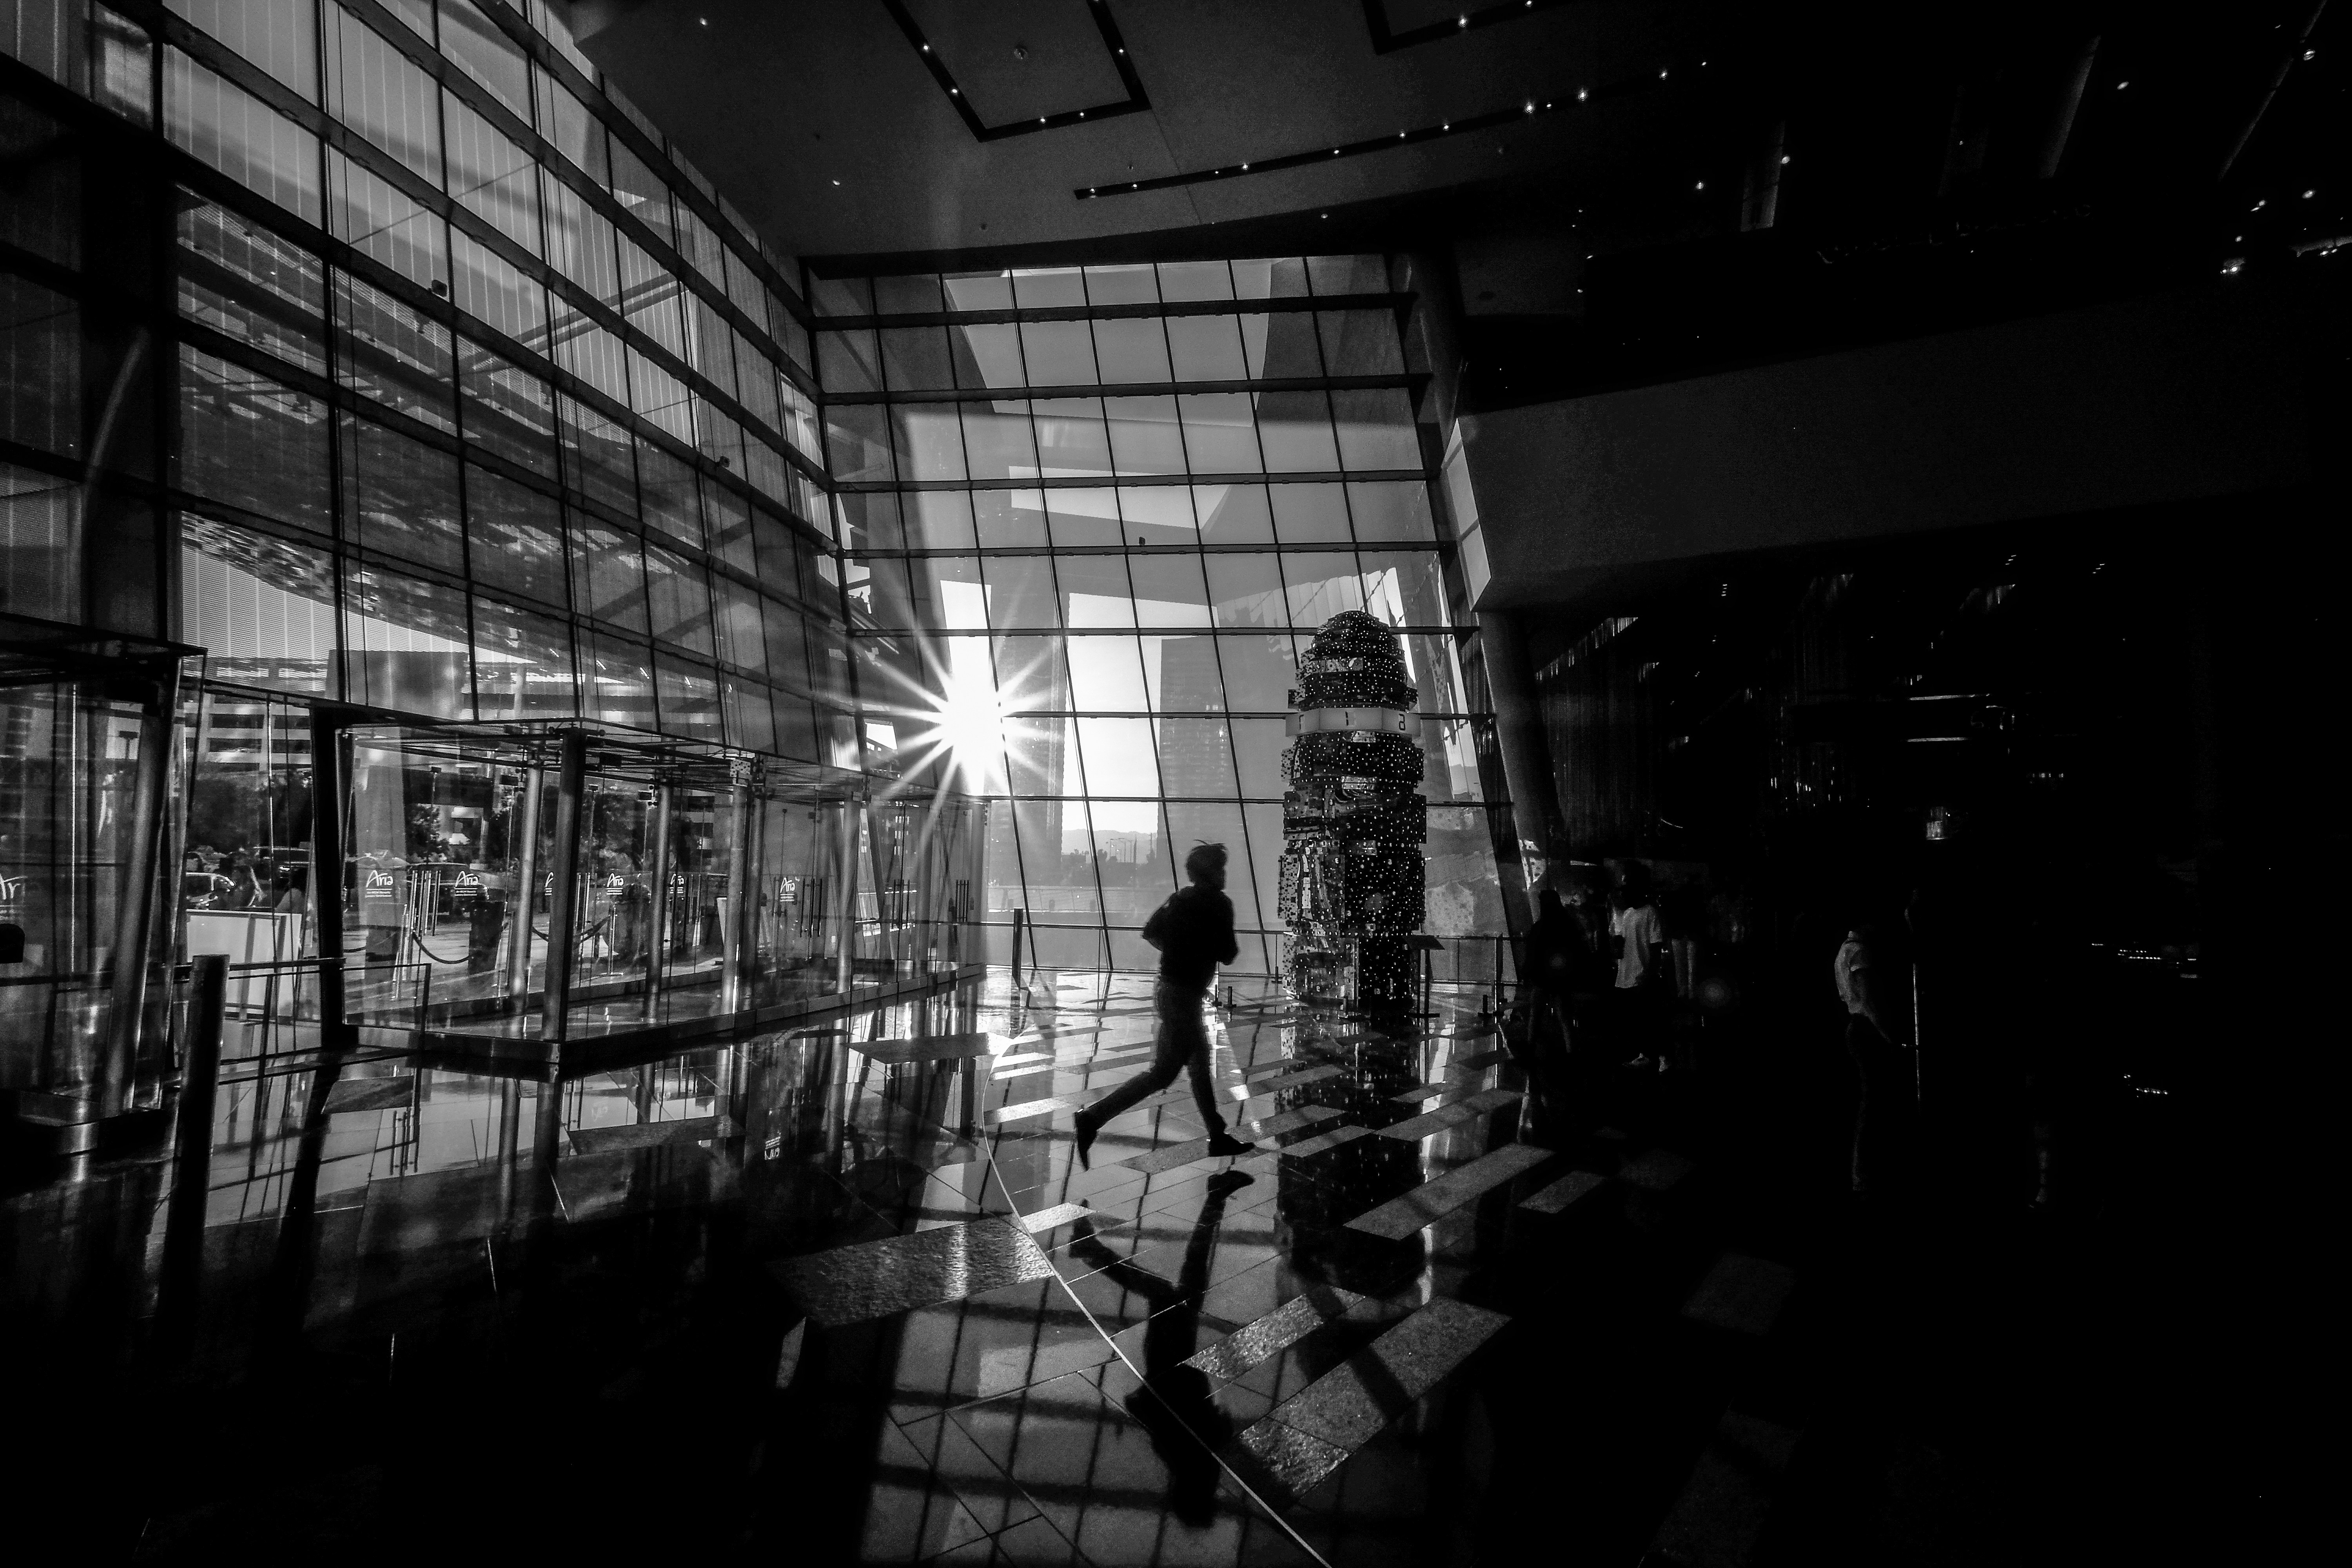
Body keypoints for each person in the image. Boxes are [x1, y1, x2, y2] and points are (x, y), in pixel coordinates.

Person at [1073, 843, 1252, 1169]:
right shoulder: (1218, 903)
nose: (1225, 874)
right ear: (1212, 873)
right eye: (1221, 869)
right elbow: (1228, 953)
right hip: (1184, 995)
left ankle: (1217, 1134)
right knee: (1167, 1073)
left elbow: (1150, 933)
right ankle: (1092, 1118)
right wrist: (1202, 950)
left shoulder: (1180, 899)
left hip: (1170, 990)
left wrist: (1179, 949)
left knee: (1192, 1065)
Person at [1836, 917, 1914, 1198]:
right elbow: (1869, 999)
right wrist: (1889, 1035)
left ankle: (1866, 1175)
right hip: (1866, 1029)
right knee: (1874, 1103)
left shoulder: (1846, 950)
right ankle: (1866, 1176)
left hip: (1858, 1027)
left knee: (1873, 1102)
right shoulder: (1859, 951)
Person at [1612, 882, 1667, 1068]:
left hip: (1641, 973)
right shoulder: (1628, 914)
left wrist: (1649, 972)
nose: (1623, 898)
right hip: (1628, 973)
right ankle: (1647, 1055)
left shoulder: (1649, 912)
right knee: (1639, 1019)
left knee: (1649, 1018)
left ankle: (1660, 1056)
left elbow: (1656, 945)